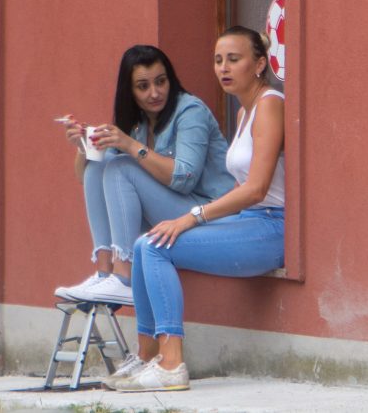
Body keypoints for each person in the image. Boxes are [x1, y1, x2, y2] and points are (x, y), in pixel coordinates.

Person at [107, 26, 285, 392]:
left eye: (233, 59)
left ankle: (171, 364)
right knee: (146, 242)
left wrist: (194, 217)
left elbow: (256, 189)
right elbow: (241, 187)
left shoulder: (270, 104)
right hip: (249, 221)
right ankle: (149, 355)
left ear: (259, 65)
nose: (223, 68)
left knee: (155, 247)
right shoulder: (244, 112)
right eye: (218, 60)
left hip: (271, 228)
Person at [55, 45, 235, 305]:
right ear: (129, 91)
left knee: (120, 167)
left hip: (210, 215)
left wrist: (131, 146)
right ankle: (105, 272)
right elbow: (86, 178)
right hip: (175, 215)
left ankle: (124, 277)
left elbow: (184, 179)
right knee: (101, 162)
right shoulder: (139, 120)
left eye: (161, 82)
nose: (155, 93)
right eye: (143, 86)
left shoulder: (190, 111)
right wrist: (84, 147)